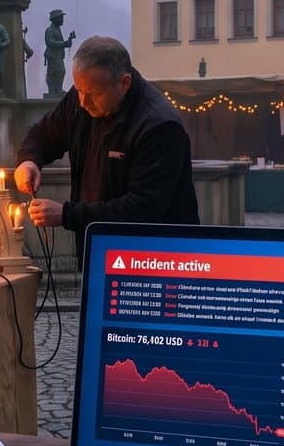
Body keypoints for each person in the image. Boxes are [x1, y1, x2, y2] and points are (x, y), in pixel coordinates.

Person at [13, 37, 198, 274]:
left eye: (93, 94)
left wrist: (67, 214)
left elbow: (142, 209)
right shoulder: (82, 98)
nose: (82, 101)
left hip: (154, 261)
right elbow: (44, 133)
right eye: (79, 90)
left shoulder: (158, 125)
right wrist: (29, 159)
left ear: (124, 82)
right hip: (99, 254)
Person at [42, 10, 77, 98]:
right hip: (52, 55)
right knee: (56, 71)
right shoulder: (49, 30)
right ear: (55, 19)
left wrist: (68, 42)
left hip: (58, 56)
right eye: (61, 18)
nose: (62, 20)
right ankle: (54, 89)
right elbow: (49, 42)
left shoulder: (57, 29)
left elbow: (59, 43)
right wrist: (63, 44)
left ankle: (57, 88)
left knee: (58, 71)